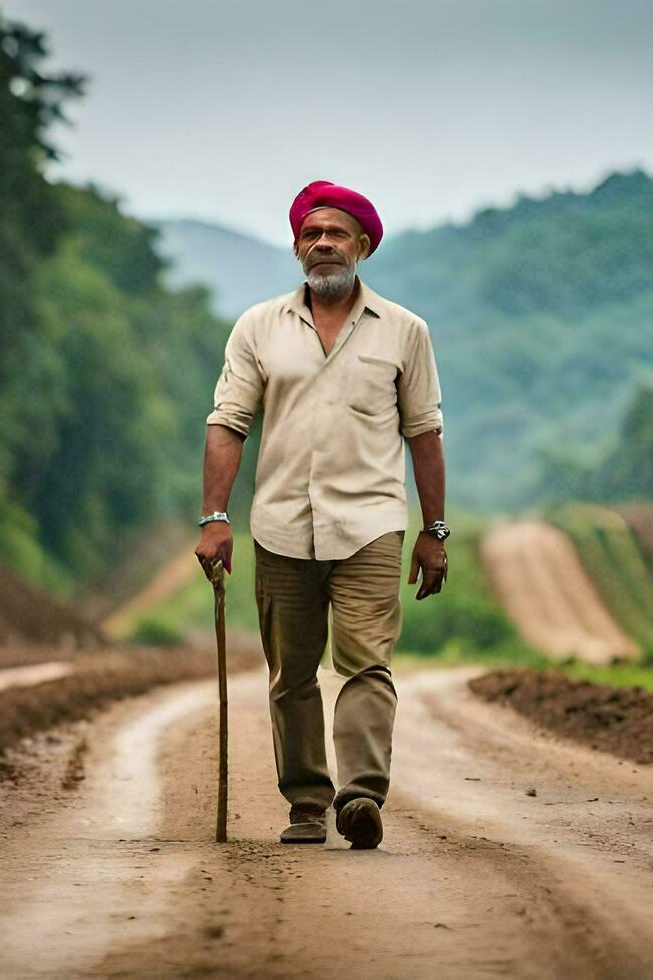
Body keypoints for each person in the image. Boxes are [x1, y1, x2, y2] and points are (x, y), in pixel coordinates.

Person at [194, 179, 448, 850]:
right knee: (293, 674)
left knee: (366, 664)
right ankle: (307, 801)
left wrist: (434, 530)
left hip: (371, 526)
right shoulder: (257, 327)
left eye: (336, 233)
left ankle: (360, 794)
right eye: (312, 234)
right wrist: (214, 517)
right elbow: (228, 424)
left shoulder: (404, 332)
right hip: (279, 527)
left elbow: (424, 434)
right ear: (297, 246)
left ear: (363, 246)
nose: (324, 244)